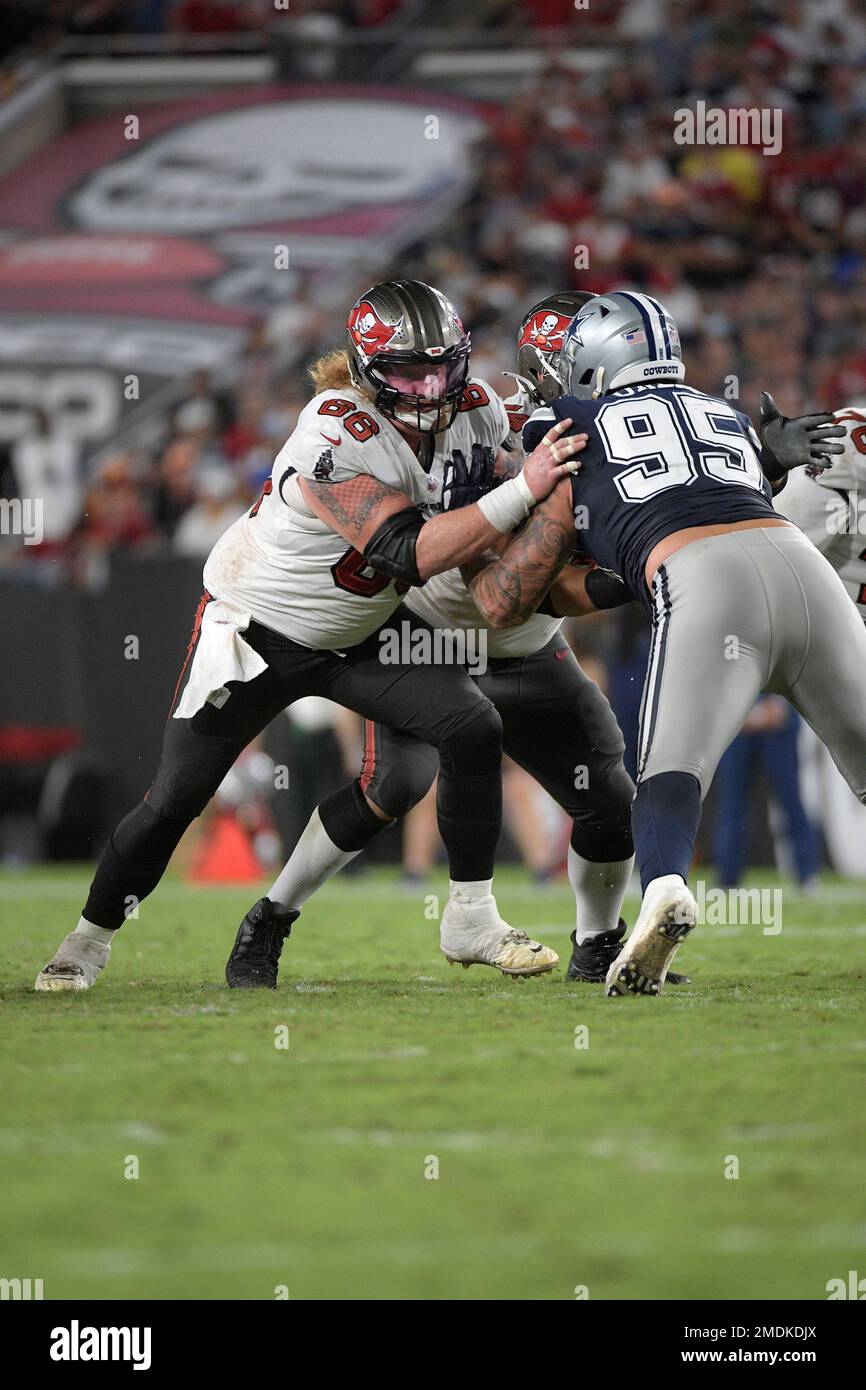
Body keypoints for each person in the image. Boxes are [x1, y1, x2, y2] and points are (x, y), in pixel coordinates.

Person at [35, 279, 581, 993]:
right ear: (364, 373)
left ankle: (471, 915)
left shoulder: (474, 411)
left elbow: (526, 478)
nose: (428, 388)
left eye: (441, 366)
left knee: (472, 724)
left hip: (359, 631)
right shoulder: (331, 432)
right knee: (175, 799)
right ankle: (87, 941)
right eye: (407, 372)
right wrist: (526, 484)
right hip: (260, 629)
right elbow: (408, 552)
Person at [251, 292, 681, 988]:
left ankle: (597, 946)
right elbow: (500, 587)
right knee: (393, 783)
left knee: (605, 793)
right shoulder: (488, 416)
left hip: (525, 644)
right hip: (434, 632)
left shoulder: (614, 440)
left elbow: (550, 588)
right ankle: (272, 914)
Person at [463, 289, 865, 996]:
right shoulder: (722, 411)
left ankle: (666, 890)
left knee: (670, 775)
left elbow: (543, 552)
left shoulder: (562, 420)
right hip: (800, 564)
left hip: (701, 574)